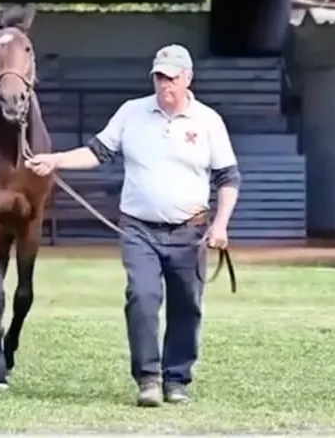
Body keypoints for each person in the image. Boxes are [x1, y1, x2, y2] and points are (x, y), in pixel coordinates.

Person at [25, 44, 241, 407]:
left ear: (187, 78)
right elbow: (97, 152)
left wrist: (220, 225)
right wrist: (55, 160)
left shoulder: (208, 122)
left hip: (191, 230)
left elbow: (228, 177)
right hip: (139, 228)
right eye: (159, 76)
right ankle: (149, 379)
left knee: (187, 304)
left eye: (171, 77)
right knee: (142, 297)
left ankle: (177, 379)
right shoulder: (132, 113)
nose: (164, 84)